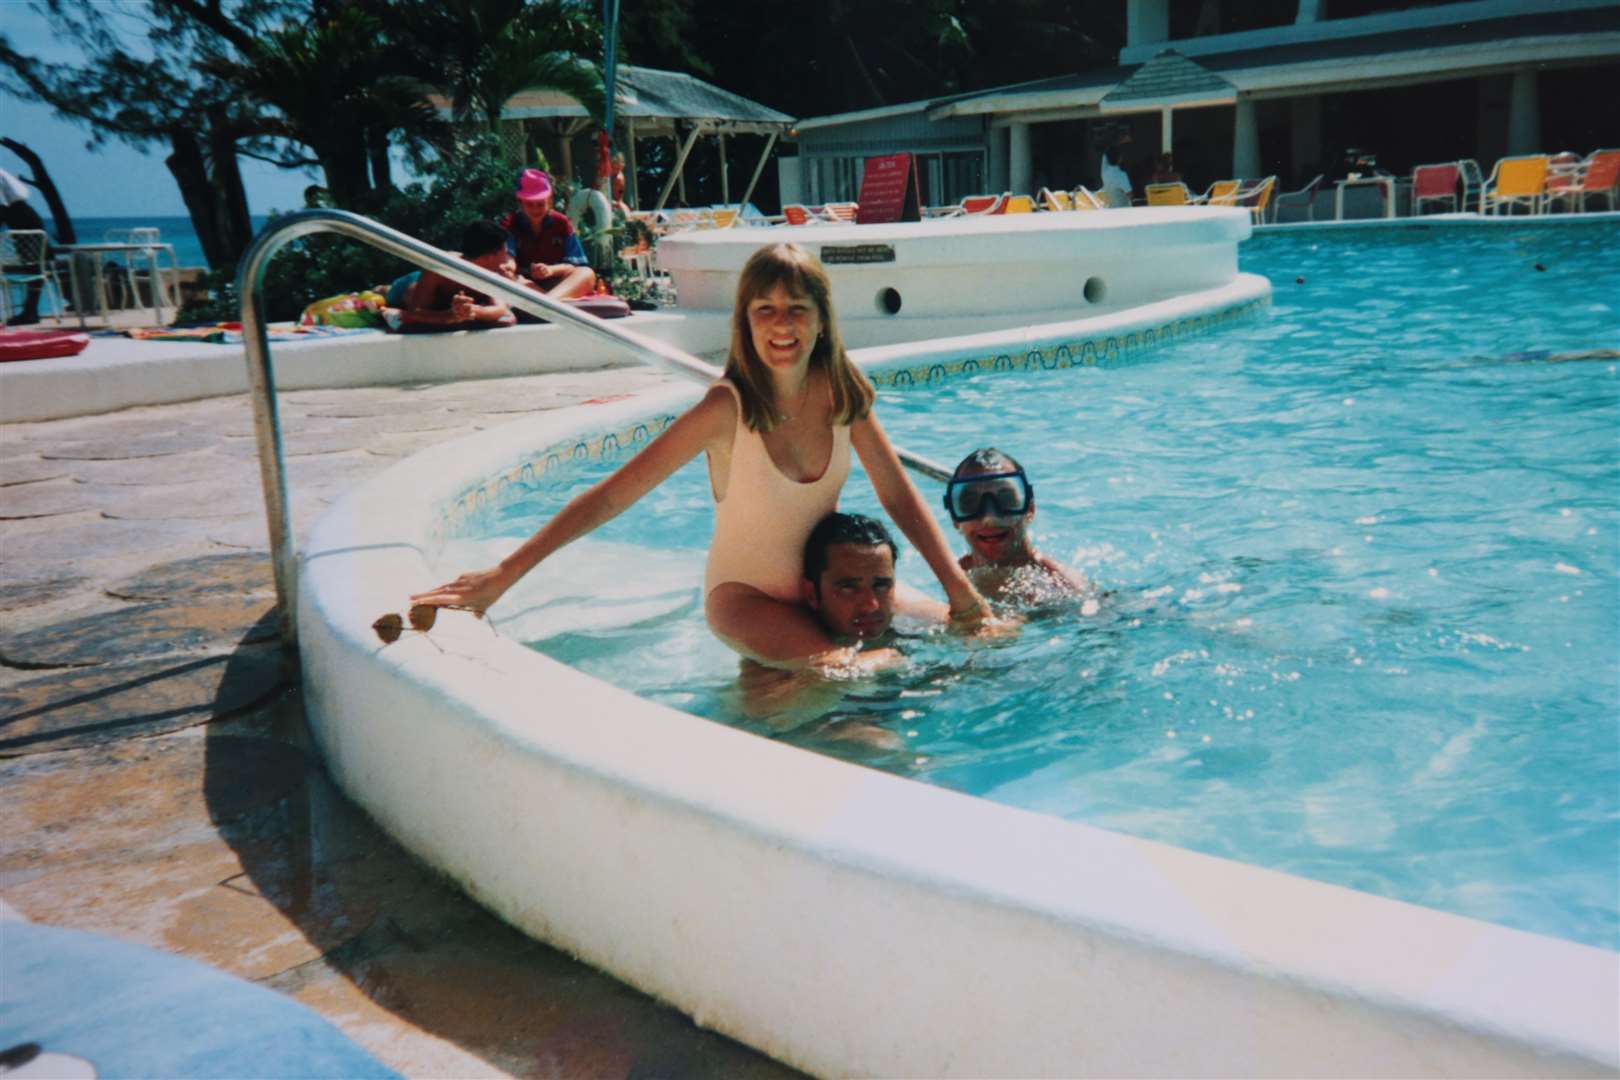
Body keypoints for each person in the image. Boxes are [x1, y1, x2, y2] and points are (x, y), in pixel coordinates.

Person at [412, 241, 997, 665]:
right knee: (863, 672)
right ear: (745, 322)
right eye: (764, 309)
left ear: (822, 321)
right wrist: (504, 575)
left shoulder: (845, 397)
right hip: (745, 600)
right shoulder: (728, 409)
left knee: (990, 632)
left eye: (797, 308)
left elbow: (897, 494)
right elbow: (614, 494)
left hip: (827, 593)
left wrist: (959, 589)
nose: (781, 324)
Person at [946, 447, 1092, 610]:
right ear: (955, 519)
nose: (990, 518)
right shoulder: (949, 577)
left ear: (1030, 509)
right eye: (970, 503)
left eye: (1006, 499)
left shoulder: (1062, 585)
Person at [394, 219, 529, 332]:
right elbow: (415, 311)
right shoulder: (440, 267)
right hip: (411, 282)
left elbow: (500, 308)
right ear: (489, 257)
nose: (507, 258)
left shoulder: (493, 271)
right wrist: (450, 316)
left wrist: (472, 311)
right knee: (403, 293)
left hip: (446, 298)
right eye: (504, 252)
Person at [500, 168, 597, 300]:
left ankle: (548, 302)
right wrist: (509, 267)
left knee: (587, 273)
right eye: (529, 204)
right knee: (507, 276)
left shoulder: (562, 223)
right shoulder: (510, 223)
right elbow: (508, 257)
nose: (535, 210)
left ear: (550, 201)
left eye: (540, 204)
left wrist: (550, 270)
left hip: (558, 285)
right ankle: (551, 303)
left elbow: (575, 265)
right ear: (520, 203)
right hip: (525, 284)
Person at [1, 167, 48, 325]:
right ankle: (31, 310)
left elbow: (2, 207)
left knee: (33, 266)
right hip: (28, 216)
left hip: (19, 218)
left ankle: (30, 311)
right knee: (35, 267)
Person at [1099, 130, 1134, 209]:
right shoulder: (1121, 175)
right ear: (1120, 159)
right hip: (1124, 211)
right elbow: (1130, 195)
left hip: (1111, 210)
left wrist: (1121, 141)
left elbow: (1106, 153)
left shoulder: (1104, 172)